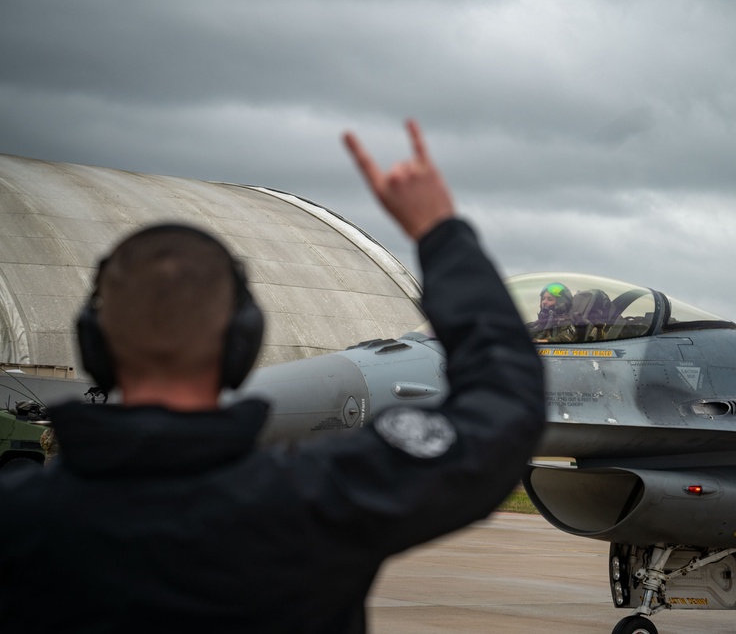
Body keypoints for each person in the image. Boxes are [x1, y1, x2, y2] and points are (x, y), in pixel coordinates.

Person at [0, 120, 546, 633]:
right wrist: (439, 232)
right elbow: (505, 409)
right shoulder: (320, 498)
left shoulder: (22, 520)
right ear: (243, 342)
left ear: (93, 343)